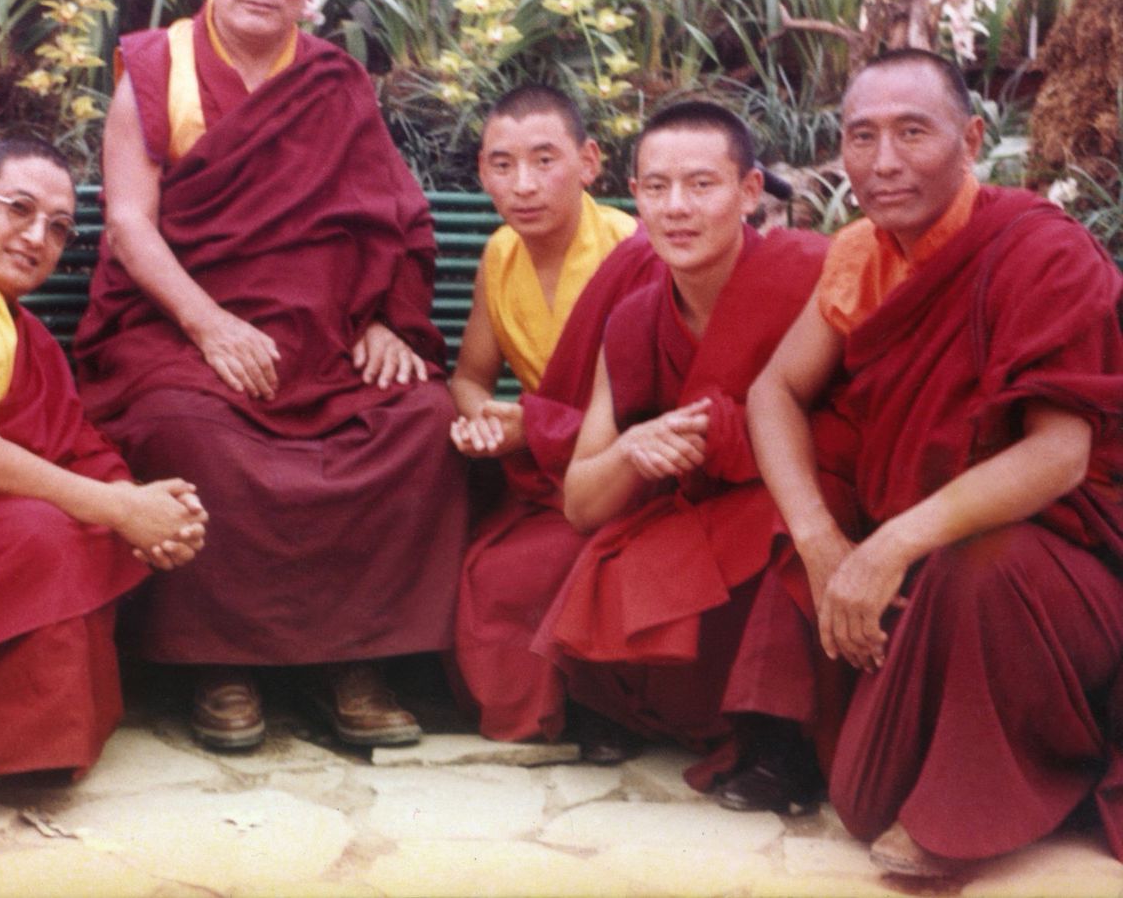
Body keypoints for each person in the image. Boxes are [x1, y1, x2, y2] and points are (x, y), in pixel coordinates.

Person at [73, 0, 467, 751]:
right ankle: (223, 664)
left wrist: (382, 322)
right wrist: (210, 325)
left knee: (416, 418)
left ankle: (350, 663)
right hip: (179, 328)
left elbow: (385, 216)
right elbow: (131, 228)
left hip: (321, 341)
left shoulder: (335, 82)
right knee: (186, 428)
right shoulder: (155, 69)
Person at [746, 50, 1123, 876]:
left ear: (972, 140)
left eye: (913, 133)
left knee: (987, 562)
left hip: (1062, 569)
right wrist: (819, 539)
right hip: (935, 556)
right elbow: (772, 392)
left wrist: (887, 547)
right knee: (861, 796)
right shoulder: (858, 254)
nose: (883, 163)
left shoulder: (1039, 251)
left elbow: (1060, 457)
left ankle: (994, 797)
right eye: (862, 137)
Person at [0, 138, 208, 776]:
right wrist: (121, 507)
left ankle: (23, 746)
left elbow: (67, 437)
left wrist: (144, 505)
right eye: (18, 209)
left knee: (74, 521)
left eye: (58, 228)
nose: (36, 237)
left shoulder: (8, 317)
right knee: (43, 529)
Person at [532, 103, 827, 786]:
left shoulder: (810, 273)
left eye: (702, 185)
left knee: (783, 529)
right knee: (611, 556)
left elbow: (861, 428)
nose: (677, 208)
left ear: (750, 193)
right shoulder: (636, 317)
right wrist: (636, 448)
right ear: (633, 197)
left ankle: (778, 738)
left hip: (804, 496)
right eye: (657, 188)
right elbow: (580, 500)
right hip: (703, 509)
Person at [447, 84, 657, 744]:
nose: (523, 186)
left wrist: (532, 426)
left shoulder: (635, 252)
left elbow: (656, 403)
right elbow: (470, 378)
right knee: (486, 570)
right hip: (547, 469)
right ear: (482, 171)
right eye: (502, 165)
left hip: (627, 473)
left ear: (589, 161)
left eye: (545, 160)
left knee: (530, 566)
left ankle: (602, 706)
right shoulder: (499, 255)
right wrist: (485, 419)